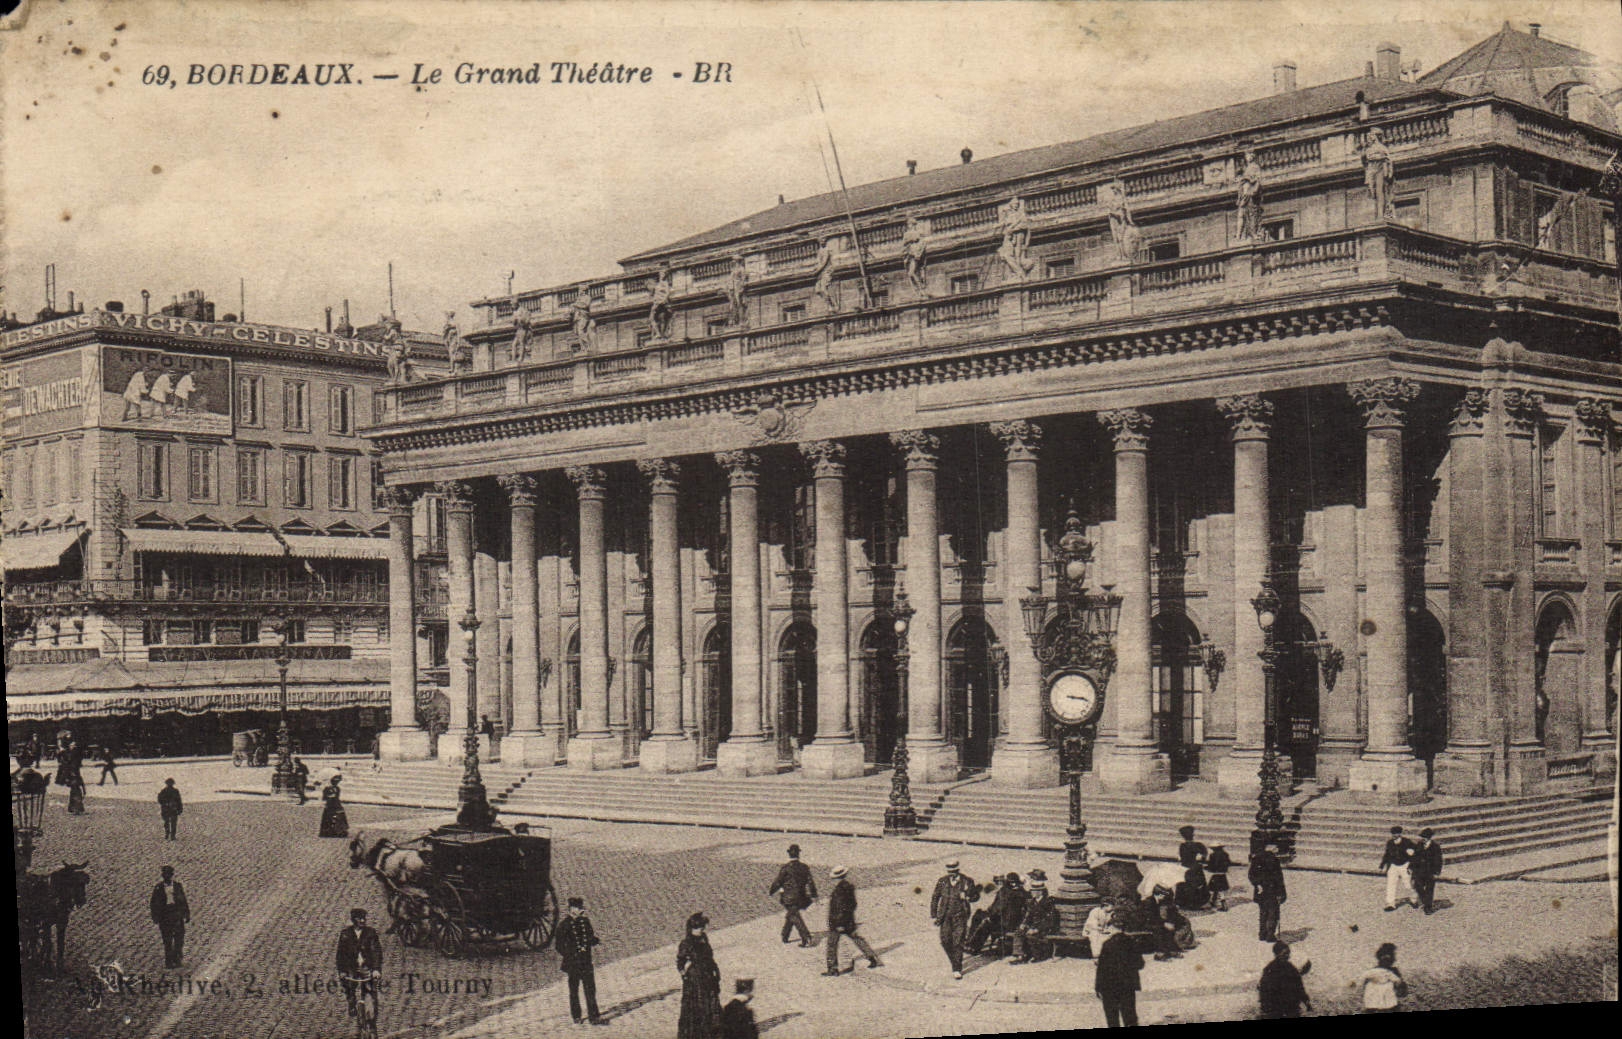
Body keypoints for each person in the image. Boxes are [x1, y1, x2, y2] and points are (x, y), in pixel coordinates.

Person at [823, 865, 882, 975]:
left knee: (831, 945)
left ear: (836, 878)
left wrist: (839, 923)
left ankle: (832, 969)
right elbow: (853, 904)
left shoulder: (839, 890)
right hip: (849, 921)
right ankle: (872, 958)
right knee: (858, 940)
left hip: (838, 922)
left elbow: (840, 908)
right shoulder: (849, 887)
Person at [555, 897, 605, 1025]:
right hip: (573, 963)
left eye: (581, 908)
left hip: (585, 961)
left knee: (590, 989)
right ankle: (576, 1015)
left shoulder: (585, 922)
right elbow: (559, 946)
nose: (581, 910)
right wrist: (570, 954)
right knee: (574, 990)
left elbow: (589, 936)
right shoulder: (564, 925)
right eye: (578, 908)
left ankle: (594, 1016)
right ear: (571, 909)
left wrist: (595, 941)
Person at [930, 859, 980, 980]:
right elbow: (935, 897)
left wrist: (967, 897)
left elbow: (976, 896)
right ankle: (955, 961)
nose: (952, 874)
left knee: (958, 942)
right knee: (945, 941)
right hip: (945, 916)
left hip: (960, 915)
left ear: (958, 870)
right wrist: (934, 914)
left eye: (954, 872)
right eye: (950, 872)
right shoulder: (942, 881)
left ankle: (957, 968)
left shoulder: (967, 881)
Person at [677, 912, 723, 1039]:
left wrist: (715, 972)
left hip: (707, 976)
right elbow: (680, 962)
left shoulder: (704, 939)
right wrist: (685, 973)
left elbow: (710, 957)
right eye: (698, 928)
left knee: (711, 1005)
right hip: (695, 981)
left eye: (702, 927)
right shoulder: (686, 943)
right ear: (691, 928)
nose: (701, 930)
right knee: (697, 1008)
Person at [335, 908, 383, 1018]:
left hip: (367, 967)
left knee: (370, 990)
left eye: (364, 918)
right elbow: (341, 955)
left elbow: (376, 951)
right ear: (353, 920)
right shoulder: (346, 934)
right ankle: (351, 1003)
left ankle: (371, 1015)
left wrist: (376, 969)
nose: (362, 921)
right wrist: (342, 971)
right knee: (349, 986)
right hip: (352, 968)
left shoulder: (370, 933)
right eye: (359, 918)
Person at [768, 844, 817, 947]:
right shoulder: (804, 867)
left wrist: (771, 891)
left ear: (789, 854)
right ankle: (785, 936)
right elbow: (811, 882)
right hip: (802, 897)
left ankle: (806, 937)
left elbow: (778, 882)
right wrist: (814, 895)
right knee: (792, 914)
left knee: (793, 915)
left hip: (788, 898)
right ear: (799, 854)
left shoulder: (786, 868)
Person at [1094, 929, 1145, 1028]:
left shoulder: (1107, 944)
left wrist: (1098, 987)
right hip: (1127, 986)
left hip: (1109, 987)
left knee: (1112, 1018)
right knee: (1130, 1017)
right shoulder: (1132, 943)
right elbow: (1140, 964)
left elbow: (1101, 969)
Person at [968, 872, 1026, 957]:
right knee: (982, 918)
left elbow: (998, 907)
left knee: (985, 923)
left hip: (1005, 923)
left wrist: (990, 916)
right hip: (1014, 921)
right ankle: (971, 942)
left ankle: (973, 947)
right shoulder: (1022, 892)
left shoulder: (1005, 892)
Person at [1010, 869, 1059, 964]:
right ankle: (1020, 956)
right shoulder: (1032, 902)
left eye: (1034, 891)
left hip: (1044, 929)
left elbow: (1050, 920)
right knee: (1019, 932)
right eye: (1032, 891)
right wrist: (1024, 924)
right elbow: (1028, 916)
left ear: (1040, 892)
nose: (1031, 893)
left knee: (1031, 935)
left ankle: (1038, 955)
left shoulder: (1048, 903)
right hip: (1032, 927)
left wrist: (1037, 929)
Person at [1258, 940, 1312, 1019]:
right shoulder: (1270, 969)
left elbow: (1299, 986)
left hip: (1292, 1008)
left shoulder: (1291, 968)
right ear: (1277, 954)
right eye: (1285, 954)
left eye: (1288, 953)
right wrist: (1266, 1009)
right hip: (1276, 1009)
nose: (1288, 956)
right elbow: (1264, 990)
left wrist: (1306, 1001)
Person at [149, 865, 190, 968]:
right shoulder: (158, 888)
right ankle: (169, 961)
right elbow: (153, 903)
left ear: (171, 875)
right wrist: (155, 916)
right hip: (165, 915)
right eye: (165, 875)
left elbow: (183, 900)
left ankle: (177, 958)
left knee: (179, 938)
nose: (166, 877)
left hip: (176, 914)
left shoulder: (177, 886)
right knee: (167, 940)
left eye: (168, 875)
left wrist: (186, 913)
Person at [1248, 839, 1286, 942]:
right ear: (1271, 847)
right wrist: (1282, 893)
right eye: (1276, 847)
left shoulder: (1256, 858)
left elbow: (1251, 875)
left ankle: (1262, 933)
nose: (1277, 849)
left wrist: (1257, 884)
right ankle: (1270, 934)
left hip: (1261, 890)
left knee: (1263, 912)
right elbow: (1279, 878)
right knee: (1273, 912)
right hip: (1272, 890)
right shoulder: (1274, 860)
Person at [1359, 943, 1406, 1013]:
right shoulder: (1372, 972)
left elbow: (1402, 991)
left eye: (1391, 956)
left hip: (1389, 1005)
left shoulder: (1393, 972)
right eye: (1386, 957)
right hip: (1376, 1006)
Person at [1379, 825, 1416, 911]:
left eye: (1396, 833)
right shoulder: (1390, 843)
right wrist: (1382, 865)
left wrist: (1411, 858)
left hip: (1404, 865)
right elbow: (1387, 854)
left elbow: (1416, 851)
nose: (1394, 836)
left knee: (1408, 884)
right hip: (1393, 865)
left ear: (1400, 834)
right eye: (1393, 834)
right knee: (1391, 884)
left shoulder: (1407, 842)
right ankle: (1390, 903)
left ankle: (1414, 900)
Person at [1410, 828, 1444, 914]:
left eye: (1424, 837)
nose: (1423, 839)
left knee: (1429, 889)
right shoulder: (1419, 845)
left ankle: (1428, 907)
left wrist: (1437, 872)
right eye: (1422, 837)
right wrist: (1410, 867)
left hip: (1430, 871)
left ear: (1429, 838)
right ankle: (1426, 900)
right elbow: (1414, 857)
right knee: (1418, 886)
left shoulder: (1435, 847)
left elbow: (1438, 860)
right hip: (1419, 871)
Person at [1177, 825, 1209, 909]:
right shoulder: (1198, 845)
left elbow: (1181, 857)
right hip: (1194, 866)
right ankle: (1195, 903)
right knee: (1196, 885)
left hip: (1184, 867)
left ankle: (1184, 903)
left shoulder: (1182, 846)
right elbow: (1205, 853)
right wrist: (1202, 860)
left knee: (1185, 884)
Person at [58, 740, 86, 814]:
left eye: (74, 745)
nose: (73, 746)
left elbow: (70, 762)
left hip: (74, 774)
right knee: (75, 791)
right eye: (72, 745)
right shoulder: (69, 753)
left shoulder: (74, 753)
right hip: (72, 774)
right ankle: (75, 808)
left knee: (75, 791)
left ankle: (76, 808)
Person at [1206, 843, 1232, 911]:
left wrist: (1207, 868)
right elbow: (1228, 863)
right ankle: (1213, 902)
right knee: (1219, 889)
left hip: (1216, 874)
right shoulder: (1225, 854)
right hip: (1223, 873)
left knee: (1217, 889)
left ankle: (1223, 904)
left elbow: (1211, 865)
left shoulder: (1212, 855)